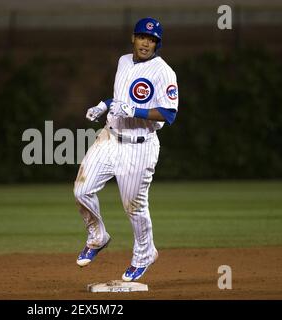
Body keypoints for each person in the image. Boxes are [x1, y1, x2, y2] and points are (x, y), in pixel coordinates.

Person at [74, 17, 179, 282]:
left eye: (152, 39)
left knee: (134, 207)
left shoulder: (163, 71)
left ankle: (145, 254)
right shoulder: (123, 61)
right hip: (109, 138)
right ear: (133, 38)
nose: (146, 42)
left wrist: (135, 110)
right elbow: (120, 99)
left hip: (139, 146)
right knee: (81, 190)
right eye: (143, 36)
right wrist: (103, 104)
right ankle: (98, 236)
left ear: (157, 44)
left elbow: (169, 113)